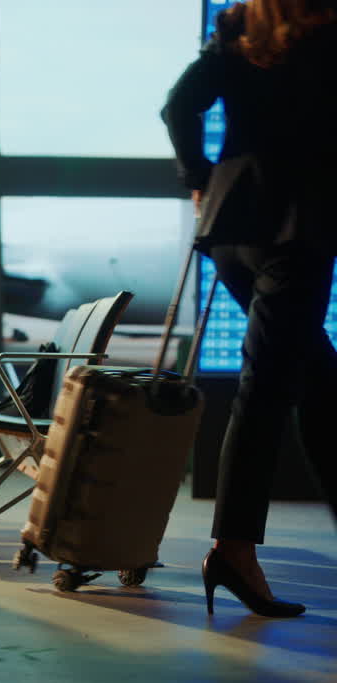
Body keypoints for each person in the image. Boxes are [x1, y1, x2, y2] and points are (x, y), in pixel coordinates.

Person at [161, 0, 337, 618]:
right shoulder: (328, 28)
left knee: (319, 380)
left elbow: (179, 106)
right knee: (270, 389)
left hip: (233, 226)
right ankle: (231, 549)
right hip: (301, 229)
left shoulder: (240, 25)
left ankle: (232, 549)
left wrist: (199, 177)